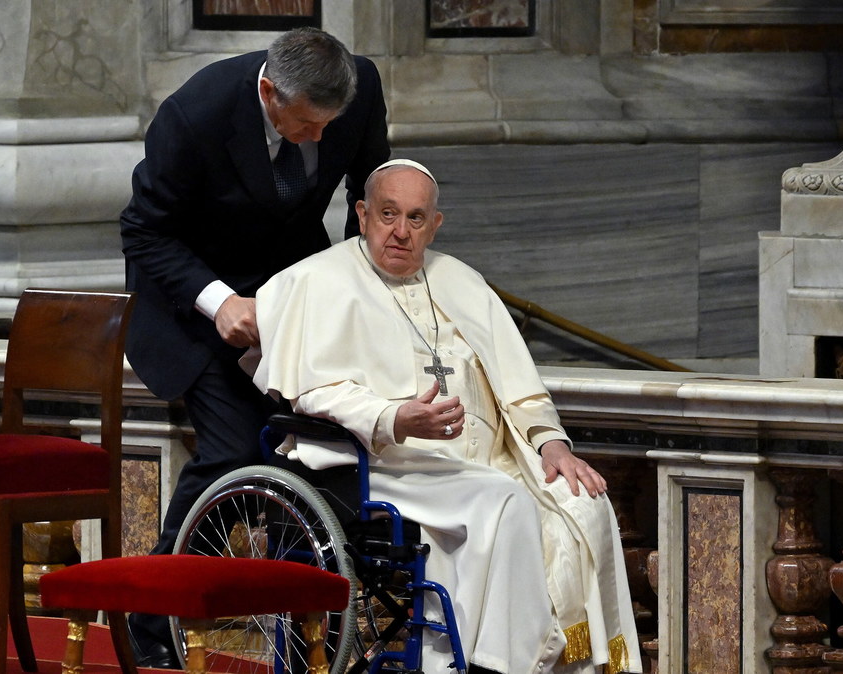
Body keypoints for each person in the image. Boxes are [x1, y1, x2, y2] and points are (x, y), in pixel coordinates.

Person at [250, 159, 643, 674]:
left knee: (583, 501)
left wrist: (551, 444)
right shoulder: (317, 281)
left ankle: (579, 667)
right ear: (363, 214)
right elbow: (317, 393)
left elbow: (520, 387)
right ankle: (495, 664)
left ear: (435, 225)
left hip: (489, 461)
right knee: (502, 504)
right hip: (388, 465)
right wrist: (395, 418)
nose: (400, 231)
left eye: (416, 218)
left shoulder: (462, 281)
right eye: (387, 214)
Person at [119, 26, 390, 666]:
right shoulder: (195, 114)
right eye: (305, 126)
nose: (320, 138)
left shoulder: (360, 87)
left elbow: (369, 186)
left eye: (331, 123)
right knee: (237, 450)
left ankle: (303, 644)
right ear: (269, 92)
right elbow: (144, 231)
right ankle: (156, 622)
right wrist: (219, 301)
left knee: (319, 452)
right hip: (193, 302)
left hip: (294, 297)